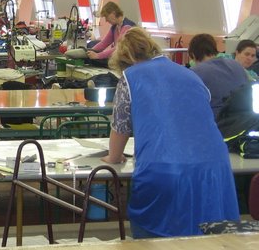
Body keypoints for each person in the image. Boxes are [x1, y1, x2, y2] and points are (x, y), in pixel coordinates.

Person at [102, 27, 239, 238]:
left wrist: (113, 156)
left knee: (155, 247)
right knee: (210, 242)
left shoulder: (130, 77)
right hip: (214, 168)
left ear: (126, 61)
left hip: (165, 169)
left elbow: (120, 127)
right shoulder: (191, 75)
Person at [188, 33, 248, 117]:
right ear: (214, 49)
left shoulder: (194, 73)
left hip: (218, 121)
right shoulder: (236, 65)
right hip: (245, 119)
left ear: (193, 55)